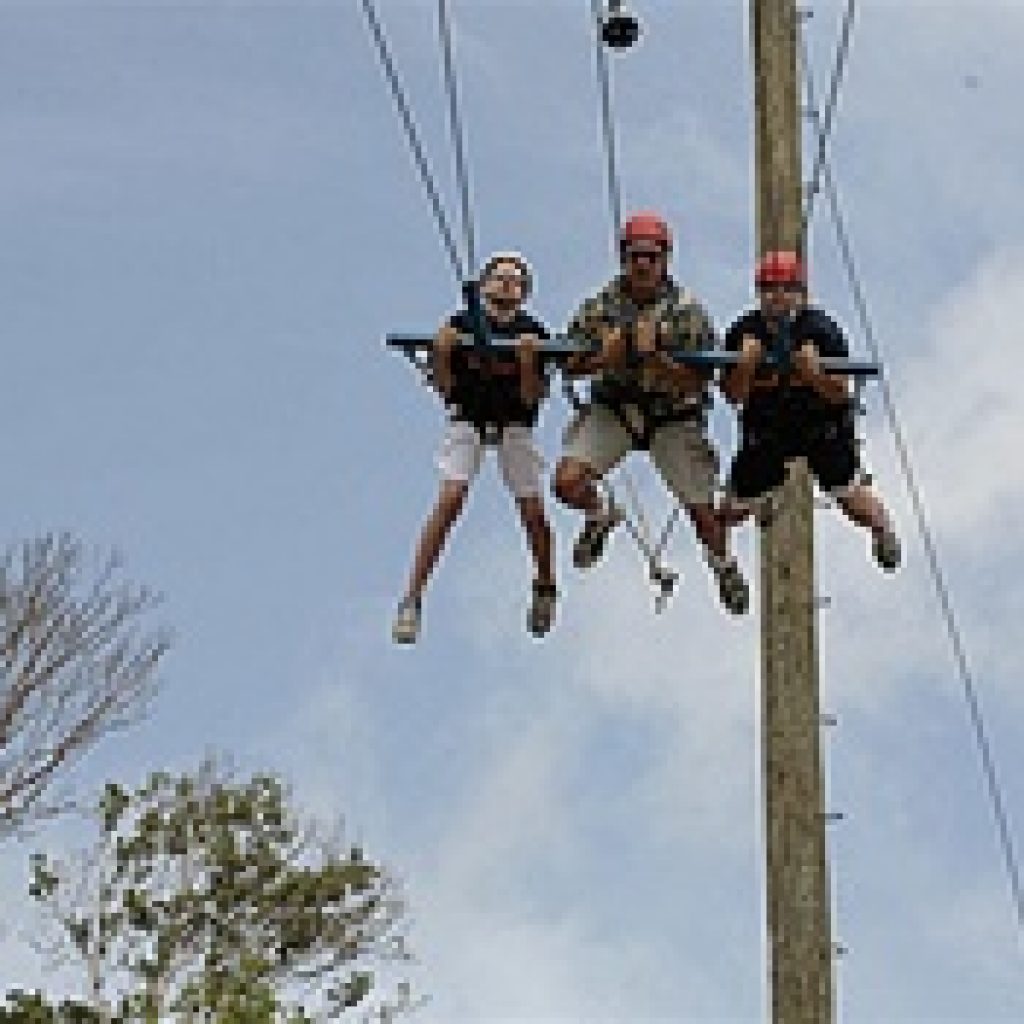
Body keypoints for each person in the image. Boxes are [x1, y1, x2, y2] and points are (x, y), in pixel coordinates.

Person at [554, 212, 749, 614]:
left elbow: (701, 381)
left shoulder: (687, 311)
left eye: (651, 256)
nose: (643, 264)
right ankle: (598, 514)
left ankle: (723, 566)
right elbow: (566, 364)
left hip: (672, 413)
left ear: (665, 260)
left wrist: (657, 361)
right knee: (567, 483)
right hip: (616, 406)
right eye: (635, 256)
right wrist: (603, 358)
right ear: (623, 258)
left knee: (703, 512)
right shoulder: (599, 306)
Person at [392, 252, 558, 643]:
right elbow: (445, 387)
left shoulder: (533, 330)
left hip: (514, 422)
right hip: (469, 416)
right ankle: (412, 597)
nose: (506, 284)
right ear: (483, 287)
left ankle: (546, 584)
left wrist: (529, 363)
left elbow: (533, 396)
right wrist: (442, 355)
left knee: (532, 510)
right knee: (450, 498)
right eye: (499, 277)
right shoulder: (462, 323)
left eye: (515, 280)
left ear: (525, 293)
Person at [719, 249, 901, 570]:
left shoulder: (822, 329)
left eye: (787, 289)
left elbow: (840, 394)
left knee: (849, 494)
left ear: (802, 293)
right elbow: (732, 395)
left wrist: (813, 374)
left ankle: (883, 530)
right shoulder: (744, 331)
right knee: (732, 509)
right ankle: (732, 548)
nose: (779, 298)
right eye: (770, 290)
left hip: (820, 427)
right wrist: (746, 367)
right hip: (768, 430)